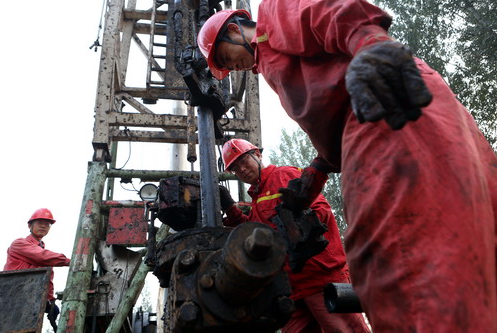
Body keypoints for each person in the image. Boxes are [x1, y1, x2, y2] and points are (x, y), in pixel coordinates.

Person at [198, 1, 497, 332]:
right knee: (474, 248)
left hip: (385, 104)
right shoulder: (272, 65)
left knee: (402, 267)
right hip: (388, 115)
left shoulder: (273, 15)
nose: (234, 67)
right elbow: (332, 110)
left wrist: (371, 48)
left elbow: (333, 11)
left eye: (226, 58)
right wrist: (318, 171)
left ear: (236, 29)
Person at [218, 138, 370, 333]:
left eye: (243, 161)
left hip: (319, 277)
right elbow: (255, 233)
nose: (242, 169)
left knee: (344, 330)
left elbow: (321, 211)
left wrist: (296, 220)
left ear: (257, 154)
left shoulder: (283, 175)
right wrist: (230, 208)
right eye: (235, 168)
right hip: (290, 287)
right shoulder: (257, 198)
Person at [4, 208, 71, 332]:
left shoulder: (44, 254)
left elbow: (47, 278)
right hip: (12, 297)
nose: (44, 226)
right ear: (30, 225)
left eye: (47, 224)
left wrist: (51, 301)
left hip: (31, 299)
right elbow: (41, 256)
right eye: (40, 222)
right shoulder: (19, 244)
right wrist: (71, 261)